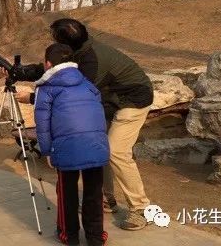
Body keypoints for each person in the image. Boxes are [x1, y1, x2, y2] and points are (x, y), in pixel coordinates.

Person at [13, 18, 154, 231]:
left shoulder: (92, 61)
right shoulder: (81, 48)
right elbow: (57, 69)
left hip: (133, 100)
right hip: (111, 99)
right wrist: (20, 71)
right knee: (100, 145)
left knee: (116, 151)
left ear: (66, 43)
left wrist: (33, 97)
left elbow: (73, 94)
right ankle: (106, 199)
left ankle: (141, 208)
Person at [34, 43, 109, 246]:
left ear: (48, 64)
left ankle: (70, 235)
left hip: (67, 147)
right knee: (94, 192)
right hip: (96, 145)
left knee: (67, 192)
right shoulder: (88, 84)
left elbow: (42, 124)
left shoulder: (46, 88)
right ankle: (95, 237)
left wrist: (47, 151)